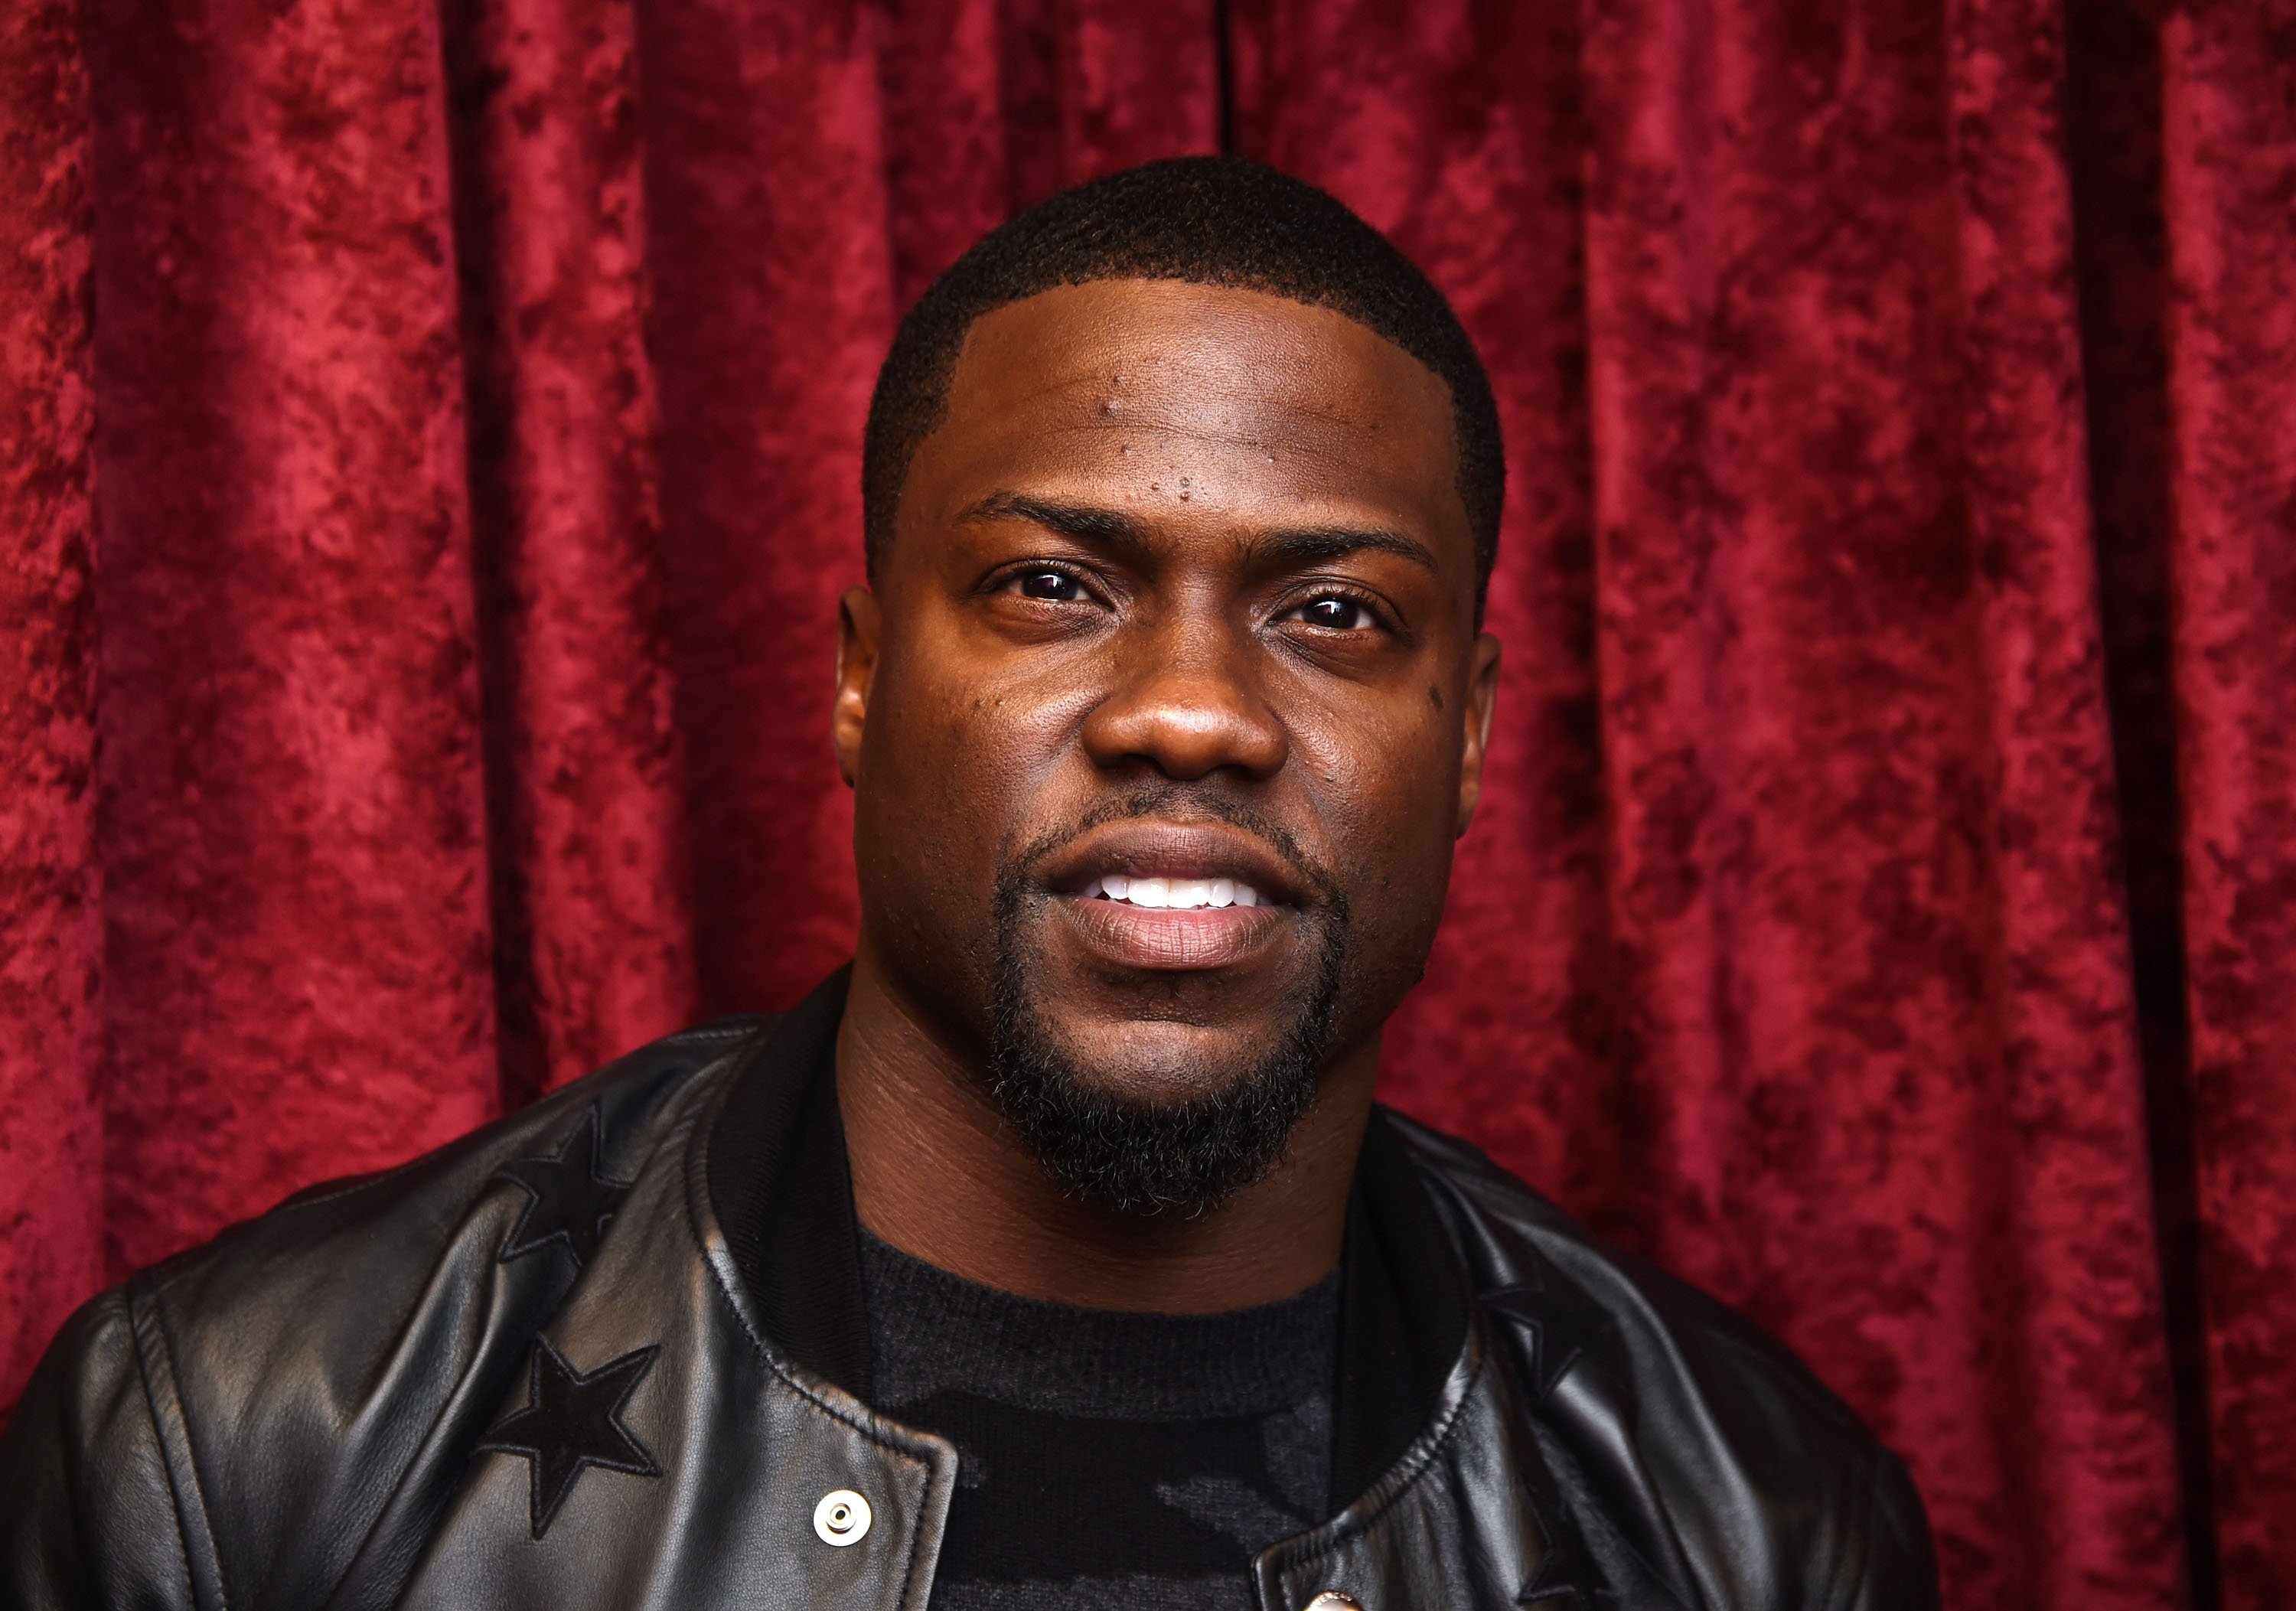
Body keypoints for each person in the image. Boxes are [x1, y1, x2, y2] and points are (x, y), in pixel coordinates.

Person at [0, 158, 1936, 1611]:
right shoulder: (249, 1447)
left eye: (1334, 613)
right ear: (859, 676)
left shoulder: (1745, 1523)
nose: (1190, 714)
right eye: (1052, 588)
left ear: (1477, 735)